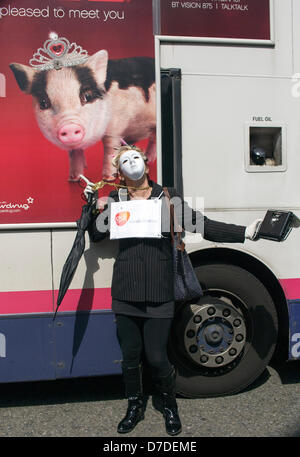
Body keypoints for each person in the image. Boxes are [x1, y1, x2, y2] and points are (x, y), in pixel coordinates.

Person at [84, 145, 261, 436]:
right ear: (118, 172)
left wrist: (243, 232)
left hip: (159, 289)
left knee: (156, 355)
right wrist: (94, 206)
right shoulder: (117, 198)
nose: (131, 163)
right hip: (125, 289)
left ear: (147, 165)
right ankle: (134, 406)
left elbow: (201, 224)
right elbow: (96, 234)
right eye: (124, 161)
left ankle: (169, 406)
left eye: (135, 158)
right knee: (130, 355)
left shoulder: (168, 197)